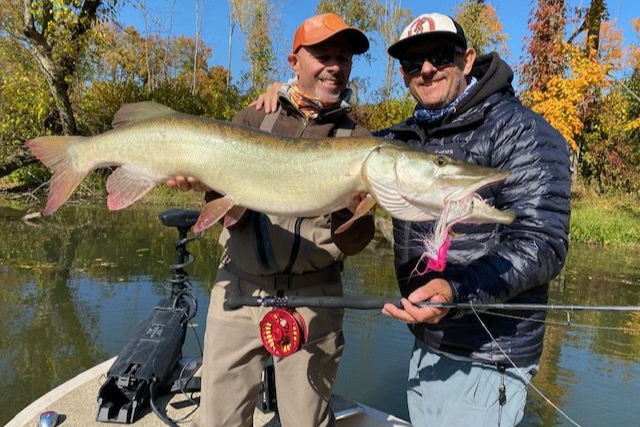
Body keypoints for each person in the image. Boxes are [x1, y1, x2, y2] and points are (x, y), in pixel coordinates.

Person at [253, 11, 571, 427]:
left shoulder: (522, 130)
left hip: (486, 354)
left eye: (440, 55)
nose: (425, 68)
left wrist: (457, 290)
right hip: (429, 337)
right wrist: (289, 98)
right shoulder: (405, 139)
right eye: (411, 62)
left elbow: (543, 241)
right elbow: (328, 142)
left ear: (468, 59)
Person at [170, 13, 375, 427]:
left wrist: (347, 205)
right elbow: (231, 217)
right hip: (238, 289)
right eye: (323, 55)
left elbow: (356, 242)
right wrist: (203, 185)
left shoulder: (359, 140)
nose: (336, 66)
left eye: (344, 57)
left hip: (315, 299)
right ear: (294, 61)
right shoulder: (253, 119)